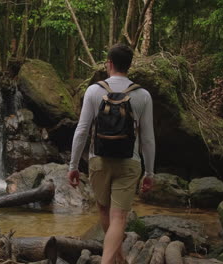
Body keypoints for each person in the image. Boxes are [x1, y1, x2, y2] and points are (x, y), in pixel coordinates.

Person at [67, 44, 155, 264]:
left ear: (109, 63)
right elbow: (148, 138)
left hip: (99, 160)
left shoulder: (94, 91)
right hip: (129, 162)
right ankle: (118, 259)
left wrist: (73, 165)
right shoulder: (143, 95)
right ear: (129, 66)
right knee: (119, 217)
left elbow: (82, 130)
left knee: (105, 211)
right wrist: (150, 172)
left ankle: (107, 261)